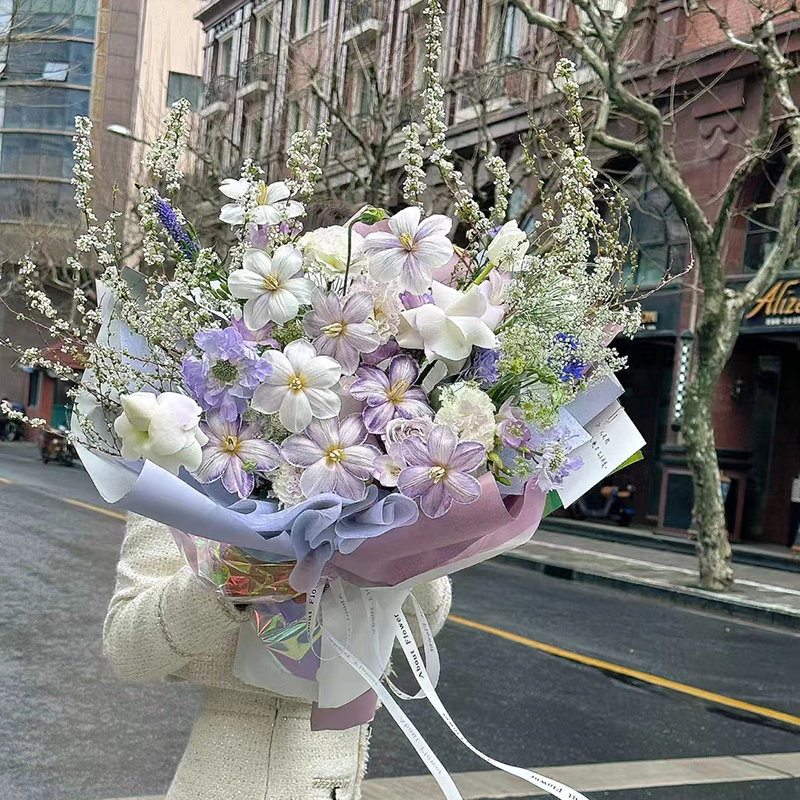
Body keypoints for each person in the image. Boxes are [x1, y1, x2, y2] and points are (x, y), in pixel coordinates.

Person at [103, 513, 452, 800]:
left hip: (342, 775)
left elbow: (424, 625)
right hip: (233, 779)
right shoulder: (183, 451)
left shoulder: (385, 455)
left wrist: (414, 526)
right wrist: (229, 573)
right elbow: (126, 648)